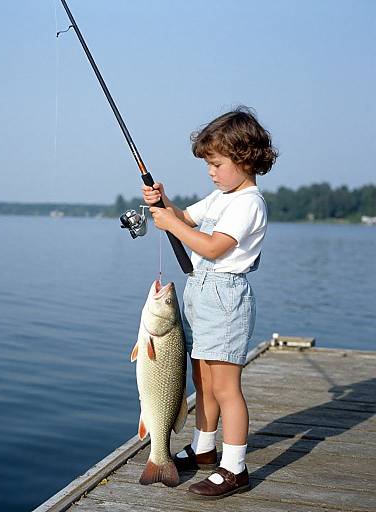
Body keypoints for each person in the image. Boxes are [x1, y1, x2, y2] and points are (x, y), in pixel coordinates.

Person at [142, 106, 278, 500]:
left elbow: (215, 248)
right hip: (199, 291)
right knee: (201, 381)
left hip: (225, 297)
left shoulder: (248, 203)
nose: (211, 172)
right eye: (209, 165)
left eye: (217, 164)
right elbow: (184, 216)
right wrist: (163, 201)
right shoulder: (222, 196)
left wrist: (174, 226)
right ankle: (204, 449)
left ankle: (235, 468)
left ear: (245, 158)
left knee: (226, 387)